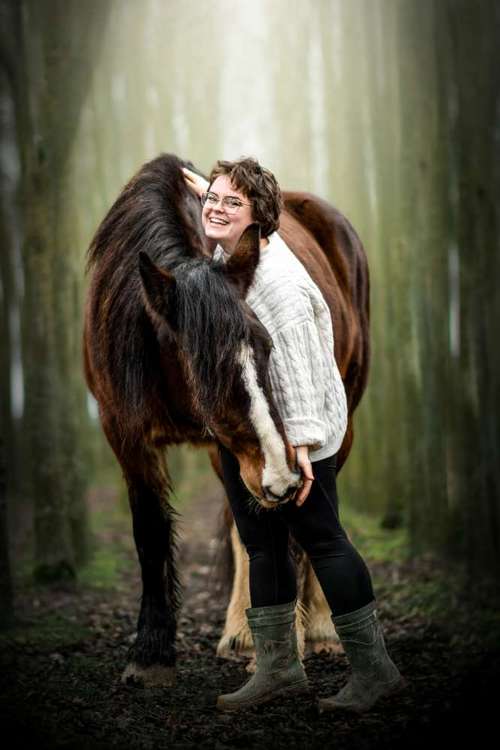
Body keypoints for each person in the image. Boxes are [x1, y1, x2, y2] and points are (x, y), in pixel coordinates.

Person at [182, 158, 404, 713]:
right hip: (255, 431)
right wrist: (208, 190)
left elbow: (305, 369)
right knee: (260, 544)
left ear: (259, 218)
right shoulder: (233, 255)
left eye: (233, 203)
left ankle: (376, 672)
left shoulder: (276, 281)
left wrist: (300, 450)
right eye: (212, 197)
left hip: (295, 436)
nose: (215, 207)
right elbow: (215, 202)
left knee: (324, 540)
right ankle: (280, 668)